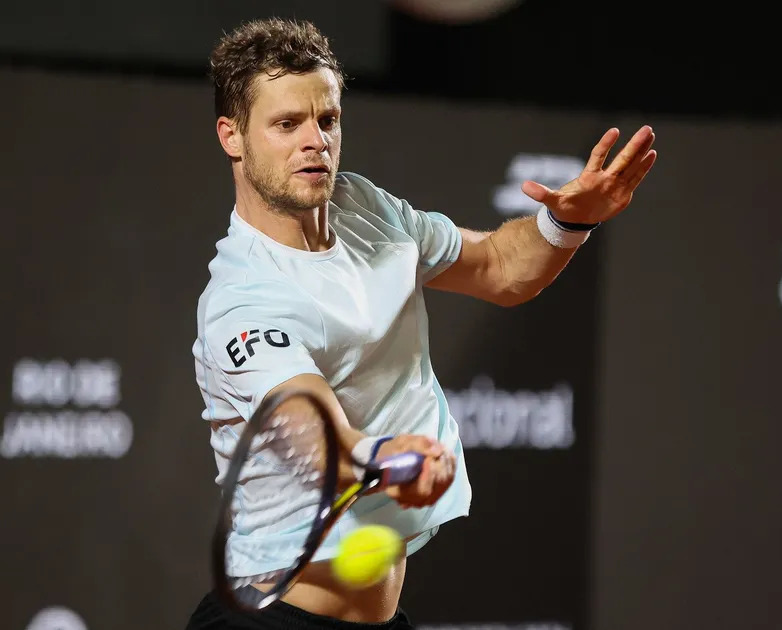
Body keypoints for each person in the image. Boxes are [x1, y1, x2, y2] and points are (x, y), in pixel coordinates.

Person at [186, 17, 656, 630]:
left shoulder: (363, 207)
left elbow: (499, 268)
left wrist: (567, 223)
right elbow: (312, 435)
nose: (315, 141)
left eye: (326, 119)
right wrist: (385, 460)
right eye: (285, 124)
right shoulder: (242, 300)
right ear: (232, 136)